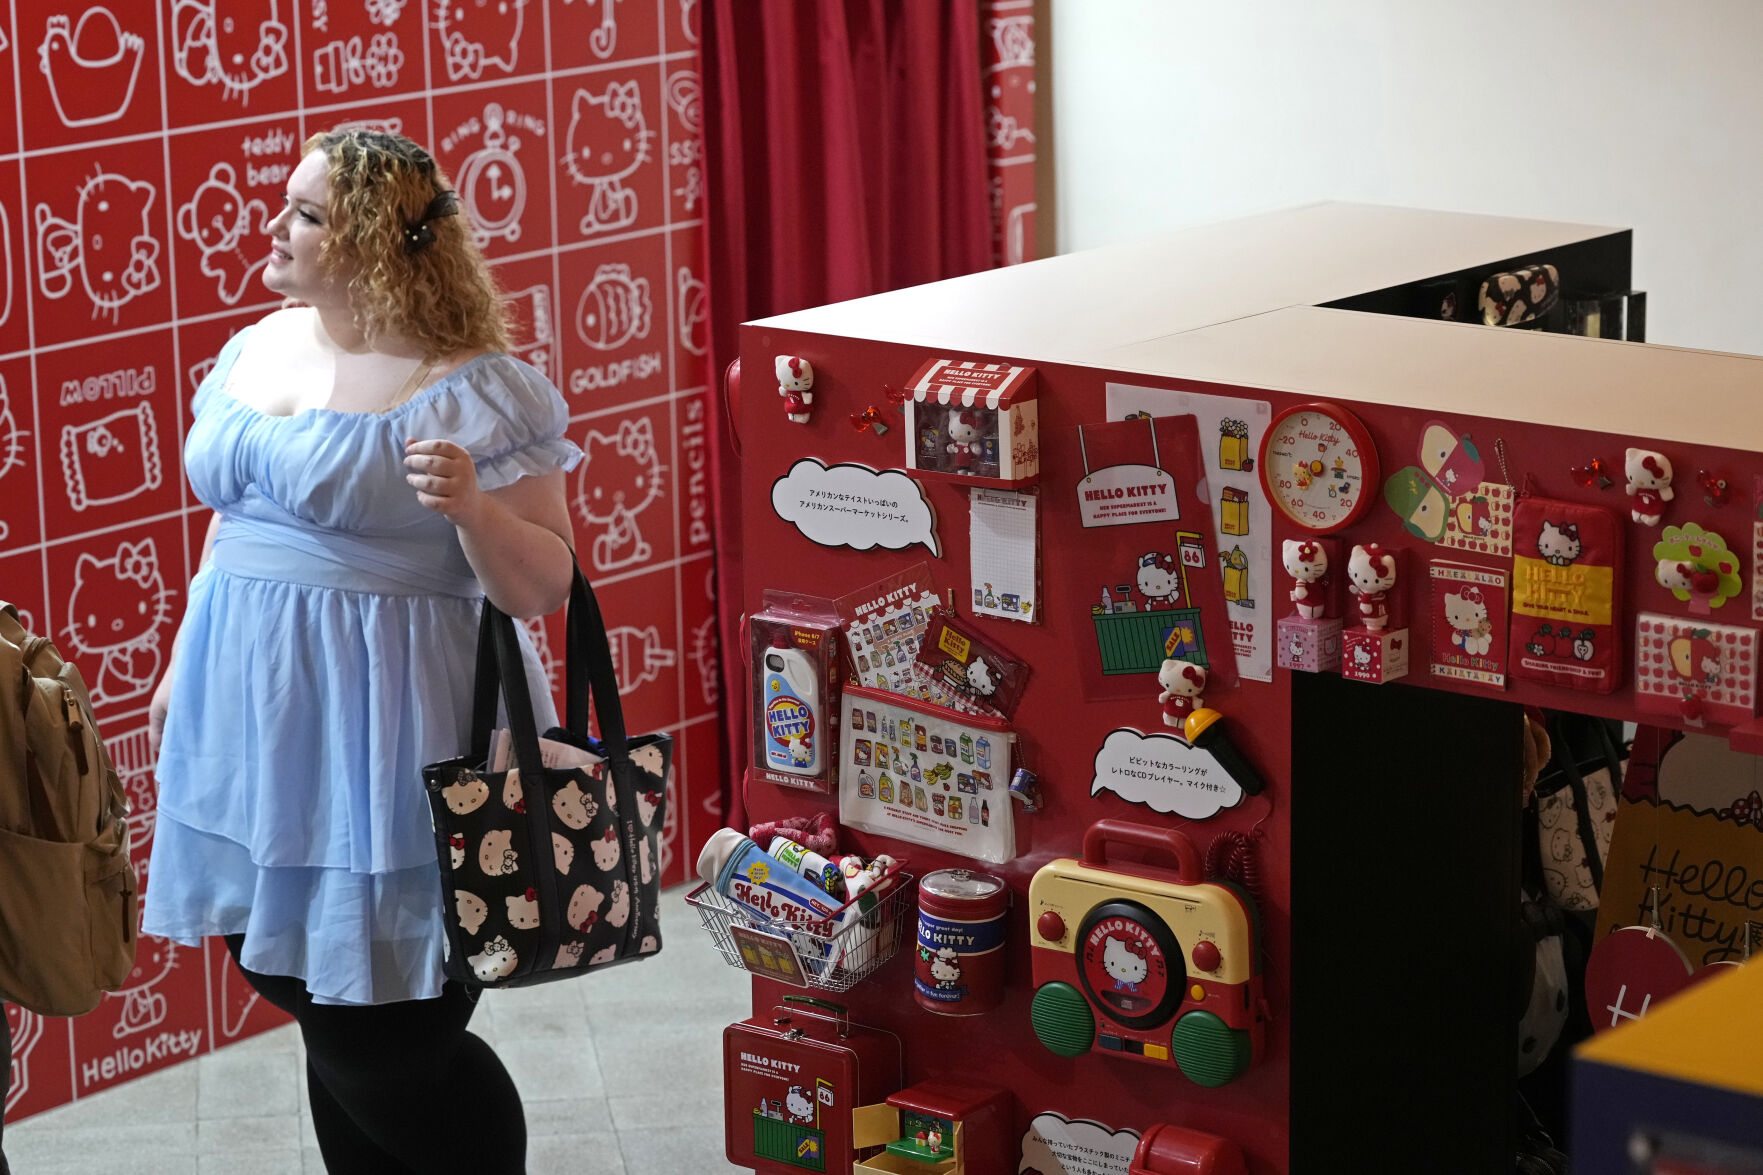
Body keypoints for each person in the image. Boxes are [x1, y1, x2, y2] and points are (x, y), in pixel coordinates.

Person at [144, 129, 581, 1175]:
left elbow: (542, 582)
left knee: (388, 1031)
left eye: (303, 212)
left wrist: (473, 507)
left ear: (375, 240)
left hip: (394, 729)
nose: (275, 224)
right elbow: (236, 517)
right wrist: (179, 658)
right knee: (313, 991)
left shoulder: (475, 388)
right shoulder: (257, 345)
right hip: (257, 720)